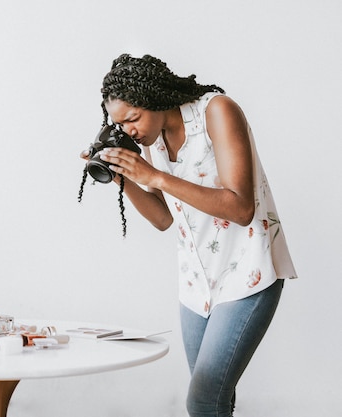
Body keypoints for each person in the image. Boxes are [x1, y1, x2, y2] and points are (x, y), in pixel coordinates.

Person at [81, 54, 297, 417]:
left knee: (202, 401)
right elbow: (164, 218)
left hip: (248, 273)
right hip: (197, 283)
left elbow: (241, 207)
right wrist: (125, 177)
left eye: (132, 118)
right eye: (120, 123)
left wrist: (156, 177)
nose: (129, 130)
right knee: (215, 401)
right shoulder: (155, 138)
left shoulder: (217, 111)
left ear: (155, 97)